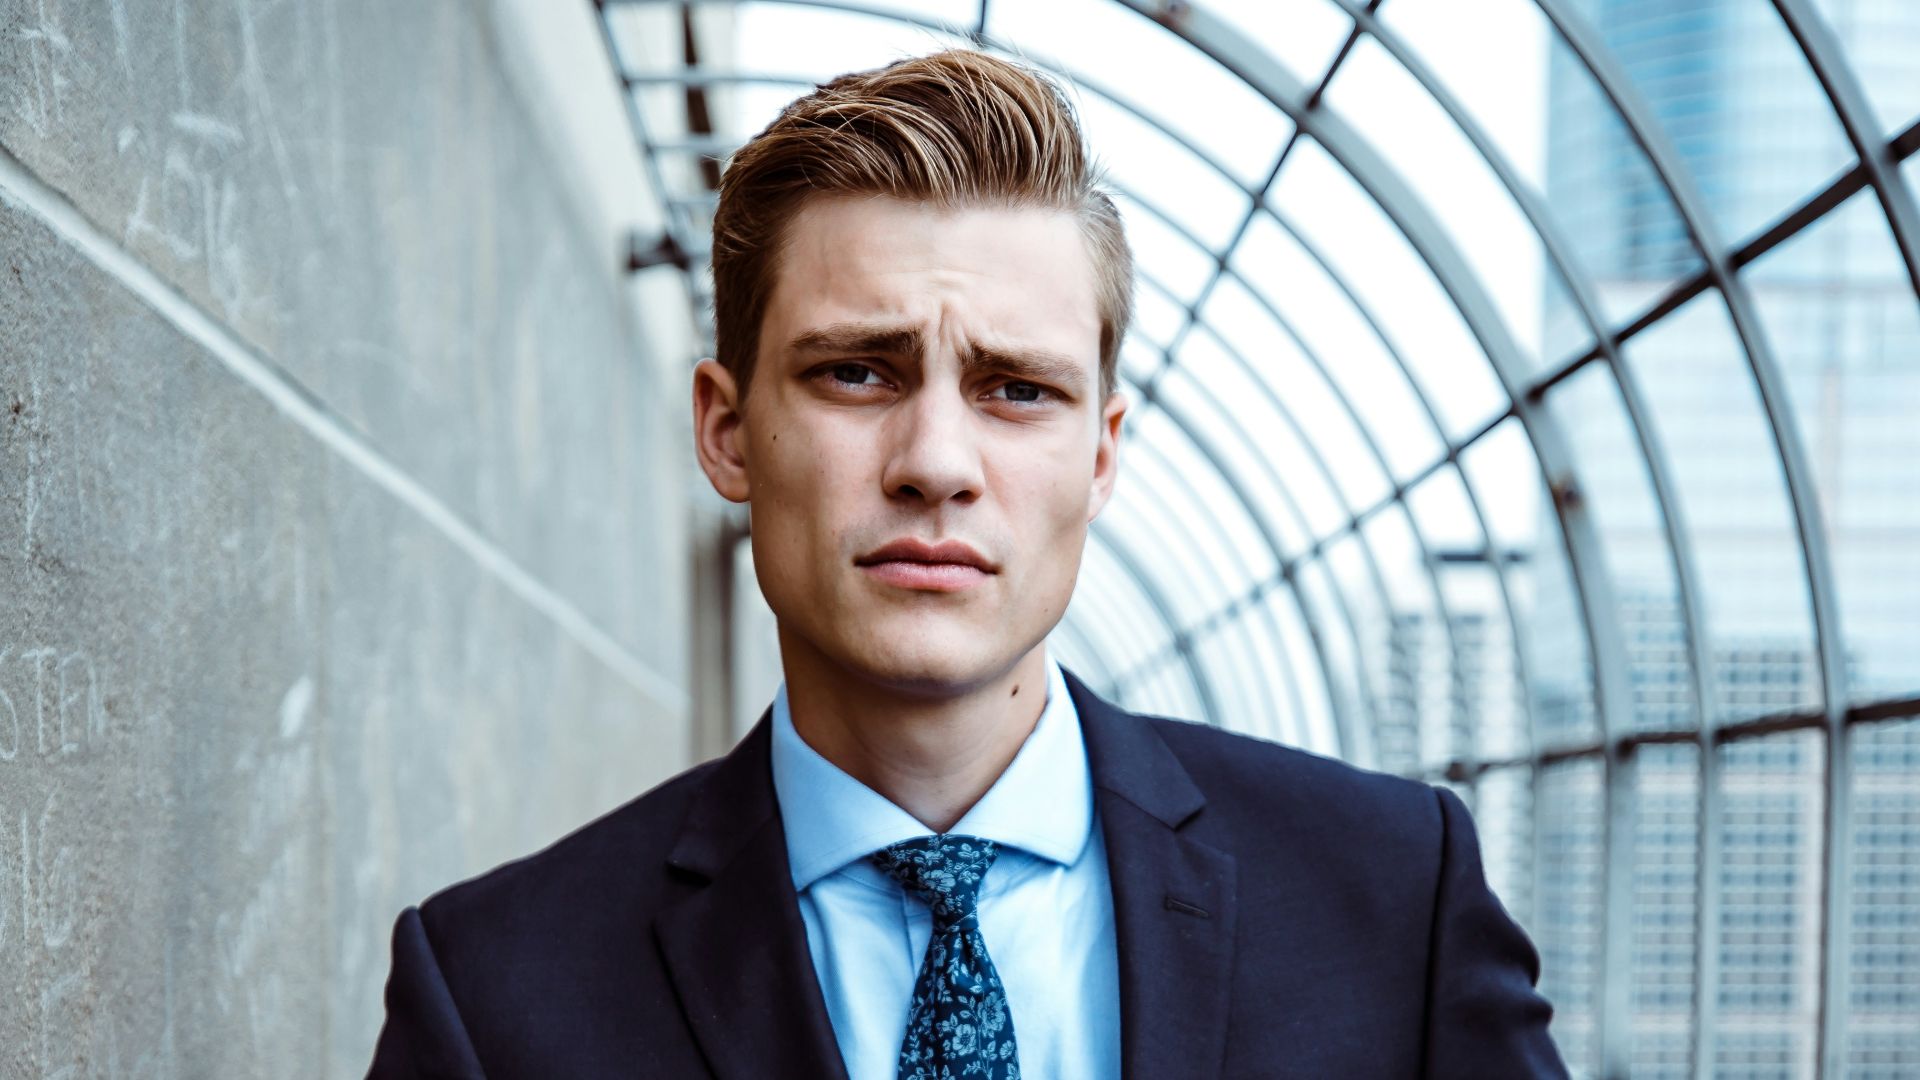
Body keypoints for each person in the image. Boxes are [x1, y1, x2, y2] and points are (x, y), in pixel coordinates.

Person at [367, 49, 1568, 1079]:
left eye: (1017, 390)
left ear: (1100, 457)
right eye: (856, 372)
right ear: (727, 431)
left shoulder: (1393, 902)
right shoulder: (497, 995)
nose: (935, 462)